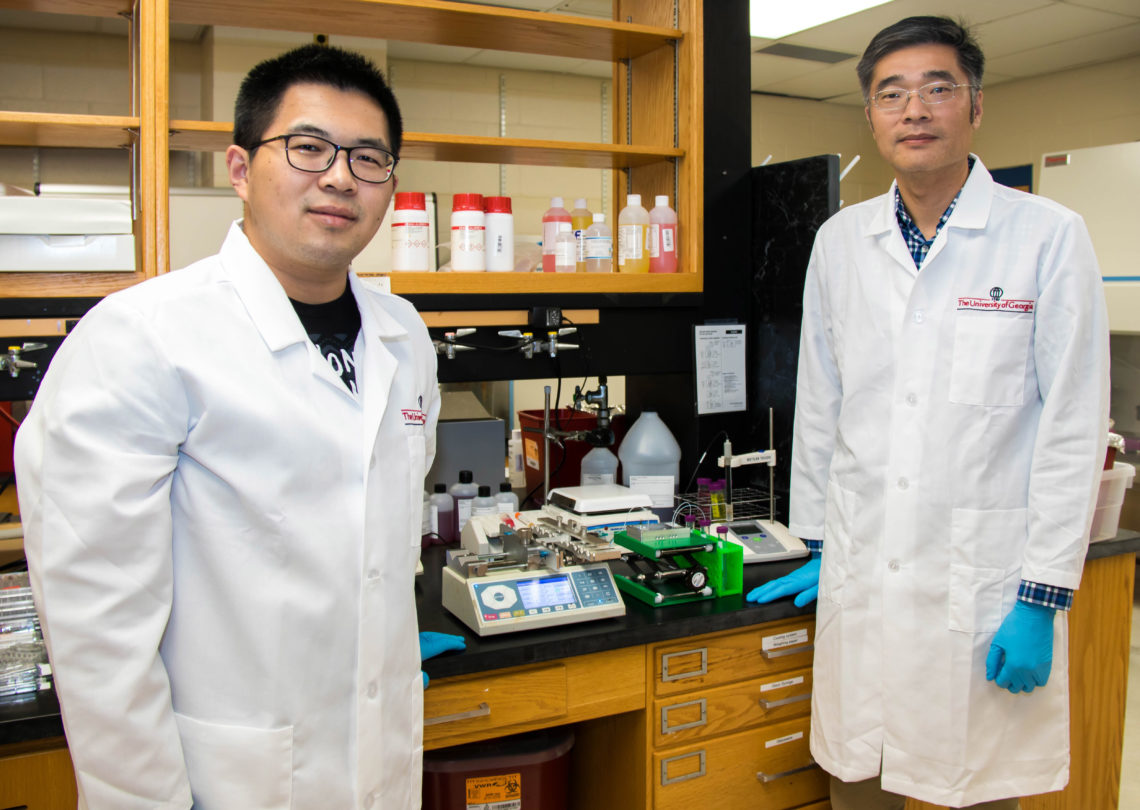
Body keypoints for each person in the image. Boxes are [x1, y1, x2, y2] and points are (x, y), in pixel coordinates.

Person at [15, 44, 463, 810]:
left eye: (369, 158)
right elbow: (99, 636)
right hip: (225, 782)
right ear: (240, 168)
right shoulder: (141, 338)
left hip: (377, 768)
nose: (339, 177)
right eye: (308, 147)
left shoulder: (403, 336)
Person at [746, 16, 1108, 810]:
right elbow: (821, 406)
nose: (915, 110)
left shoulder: (1047, 237)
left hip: (983, 594)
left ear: (975, 107)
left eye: (937, 88)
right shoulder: (842, 241)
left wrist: (1043, 598)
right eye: (892, 94)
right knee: (861, 790)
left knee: (969, 790)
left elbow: (1073, 428)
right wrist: (814, 542)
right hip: (865, 581)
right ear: (871, 118)